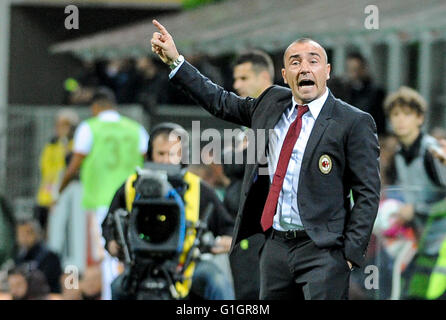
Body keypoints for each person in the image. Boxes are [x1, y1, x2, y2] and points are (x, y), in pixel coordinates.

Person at [150, 19, 380, 300]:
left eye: (313, 61)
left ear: (327, 71)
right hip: (276, 248)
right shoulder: (271, 103)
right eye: (295, 62)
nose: (304, 68)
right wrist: (177, 62)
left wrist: (349, 255)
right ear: (285, 74)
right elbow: (220, 101)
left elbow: (367, 192)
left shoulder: (353, 121)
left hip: (324, 251)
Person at [102, 122, 235, 300]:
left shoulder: (197, 188)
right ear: (150, 155)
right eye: (160, 154)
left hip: (186, 265)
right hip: (141, 266)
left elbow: (228, 228)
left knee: (217, 281)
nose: (165, 160)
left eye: (172, 154)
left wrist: (223, 242)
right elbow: (108, 224)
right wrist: (112, 243)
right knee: (117, 287)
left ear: (182, 155)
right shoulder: (131, 186)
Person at [59, 87, 149, 300]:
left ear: (95, 107)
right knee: (131, 250)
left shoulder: (89, 128)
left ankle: (111, 297)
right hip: (132, 200)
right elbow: (148, 160)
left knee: (108, 253)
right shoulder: (135, 128)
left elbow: (74, 165)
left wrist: (59, 190)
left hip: (101, 201)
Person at [225, 50, 275, 299]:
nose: (236, 85)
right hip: (242, 231)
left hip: (263, 234)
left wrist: (236, 154)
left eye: (243, 78)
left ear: (264, 76)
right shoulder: (249, 119)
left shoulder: (278, 115)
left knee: (255, 294)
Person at [384, 86, 446, 234]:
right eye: (395, 114)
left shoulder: (432, 151)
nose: (400, 120)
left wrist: (417, 210)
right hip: (421, 238)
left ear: (420, 118)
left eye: (407, 114)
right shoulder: (398, 154)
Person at [35, 108, 79, 232]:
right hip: (46, 197)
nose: (60, 128)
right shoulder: (51, 146)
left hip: (63, 198)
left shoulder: (75, 146)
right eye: (58, 124)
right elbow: (45, 168)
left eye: (64, 125)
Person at [14, 219, 62, 294]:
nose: (24, 237)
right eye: (20, 234)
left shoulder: (49, 257)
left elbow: (44, 282)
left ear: (37, 234)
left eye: (28, 233)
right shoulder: (20, 257)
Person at [344, 52, 387, 135]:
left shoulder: (376, 93)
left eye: (355, 69)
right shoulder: (344, 92)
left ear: (363, 69)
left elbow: (380, 122)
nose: (352, 73)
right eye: (350, 69)